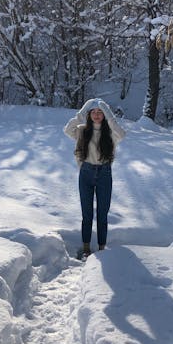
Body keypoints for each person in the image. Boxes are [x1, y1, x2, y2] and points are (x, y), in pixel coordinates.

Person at [64, 98, 126, 258]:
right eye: (94, 112)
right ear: (89, 114)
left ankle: (101, 248)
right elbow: (67, 129)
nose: (97, 115)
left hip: (105, 174)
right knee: (87, 213)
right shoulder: (82, 130)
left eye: (100, 112)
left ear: (104, 115)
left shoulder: (111, 133)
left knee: (102, 213)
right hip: (86, 173)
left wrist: (108, 111)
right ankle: (85, 248)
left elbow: (122, 133)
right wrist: (82, 110)